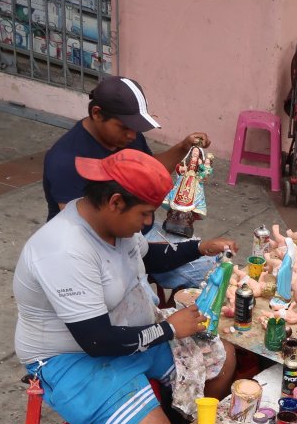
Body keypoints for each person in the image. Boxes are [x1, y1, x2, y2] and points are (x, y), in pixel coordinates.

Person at [14, 150, 242, 424]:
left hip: (127, 332)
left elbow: (146, 256)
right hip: (70, 357)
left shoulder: (115, 226)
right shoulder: (65, 249)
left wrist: (198, 248)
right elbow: (97, 341)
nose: (149, 224)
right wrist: (170, 329)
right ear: (115, 201)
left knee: (222, 358)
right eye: (145, 214)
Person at [41, 75, 216, 291]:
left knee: (215, 269)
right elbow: (86, 232)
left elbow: (151, 170)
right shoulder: (66, 160)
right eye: (124, 126)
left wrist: (183, 148)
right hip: (100, 247)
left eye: (136, 127)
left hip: (136, 235)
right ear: (97, 113)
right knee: (194, 284)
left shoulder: (128, 136)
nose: (132, 134)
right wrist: (138, 254)